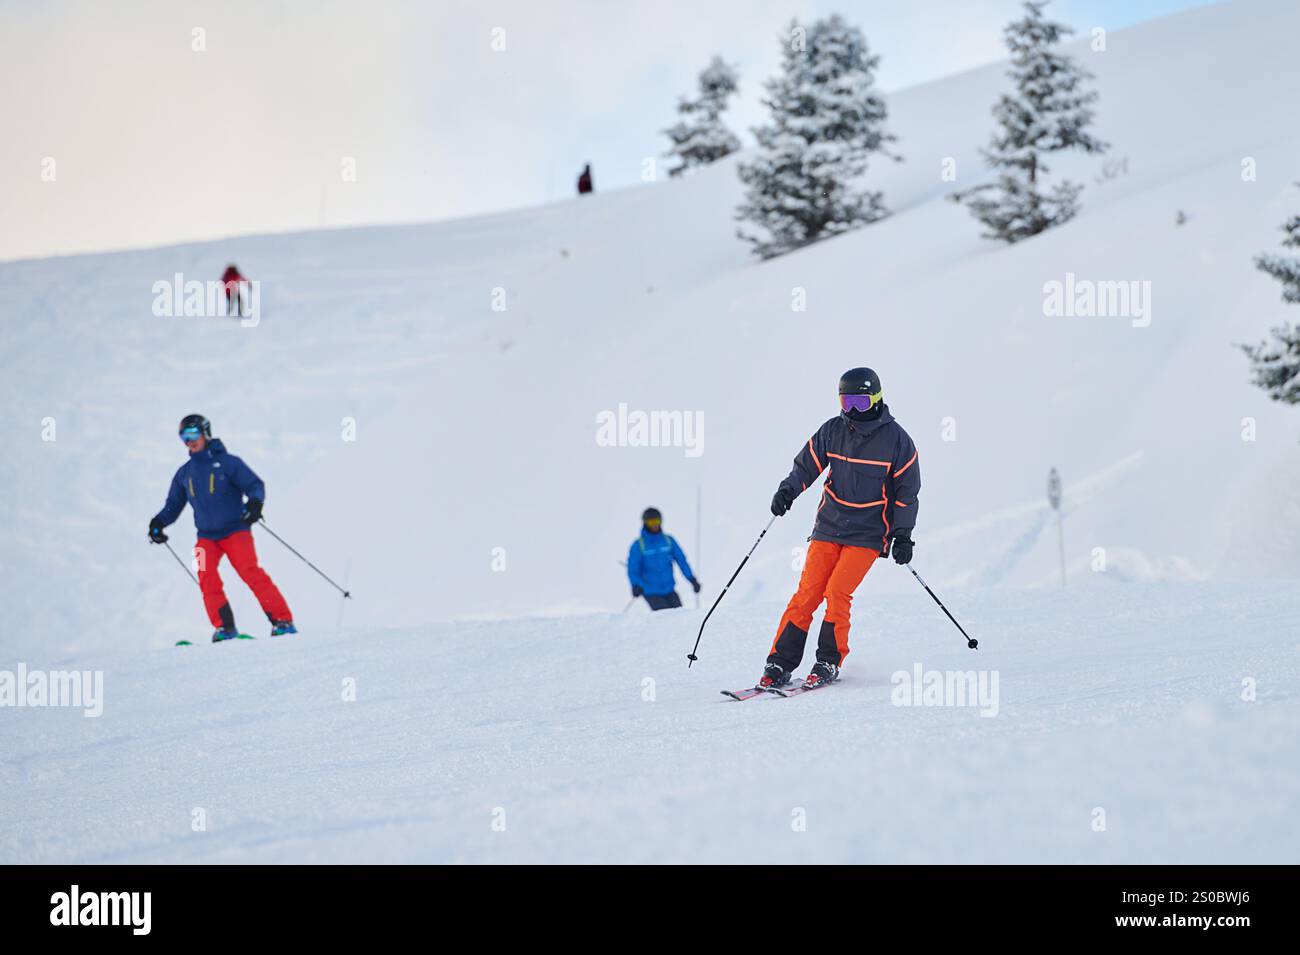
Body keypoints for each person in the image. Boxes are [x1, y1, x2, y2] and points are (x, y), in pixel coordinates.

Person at [760, 367, 920, 690]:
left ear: (876, 399)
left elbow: (907, 493)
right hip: (830, 526)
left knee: (837, 592)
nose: (853, 411)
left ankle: (828, 660)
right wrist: (788, 490)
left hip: (867, 535)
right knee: (807, 594)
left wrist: (902, 535)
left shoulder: (898, 442)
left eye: (860, 403)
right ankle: (779, 663)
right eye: (847, 403)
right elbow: (807, 464)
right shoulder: (833, 431)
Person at [148, 414, 297, 642]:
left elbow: (254, 485)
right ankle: (225, 629)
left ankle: (283, 622)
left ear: (205, 433)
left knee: (250, 572)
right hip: (206, 537)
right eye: (184, 437)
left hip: (236, 530)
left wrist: (255, 504)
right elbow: (173, 506)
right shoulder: (184, 473)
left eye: (194, 434)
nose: (190, 441)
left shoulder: (228, 463)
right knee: (205, 575)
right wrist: (158, 523)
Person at [627, 507, 700, 611]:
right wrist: (635, 585)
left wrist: (692, 579)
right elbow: (633, 569)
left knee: (681, 616)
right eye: (651, 522)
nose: (655, 524)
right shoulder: (638, 545)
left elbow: (681, 561)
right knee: (667, 619)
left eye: (657, 521)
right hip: (651, 592)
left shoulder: (668, 540)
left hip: (669, 589)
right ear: (645, 522)